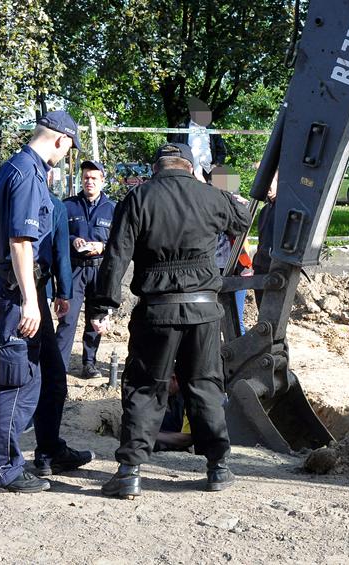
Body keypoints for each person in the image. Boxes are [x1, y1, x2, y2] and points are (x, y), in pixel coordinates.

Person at [90, 142, 251, 499]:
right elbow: (243, 219)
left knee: (145, 387)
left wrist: (103, 305)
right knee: (205, 385)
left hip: (156, 310)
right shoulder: (210, 196)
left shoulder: (138, 198)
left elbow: (116, 255)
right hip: (204, 311)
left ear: (155, 168)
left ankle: (130, 472)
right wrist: (211, 189)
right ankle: (218, 467)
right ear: (190, 168)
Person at [0, 110, 94, 493]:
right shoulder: (27, 175)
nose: (66, 156)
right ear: (61, 140)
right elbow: (20, 242)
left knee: (52, 374)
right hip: (20, 296)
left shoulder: (14, 168)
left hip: (23, 290)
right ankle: (5, 470)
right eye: (68, 149)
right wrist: (32, 302)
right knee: (19, 381)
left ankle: (49, 451)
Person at [55, 160, 116, 379]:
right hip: (74, 270)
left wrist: (102, 246)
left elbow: (120, 241)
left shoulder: (113, 209)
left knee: (95, 319)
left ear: (102, 180)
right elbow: (57, 235)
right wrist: (73, 240)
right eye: (86, 178)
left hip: (99, 271)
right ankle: (58, 366)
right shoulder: (68, 206)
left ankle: (89, 364)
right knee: (67, 319)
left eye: (94, 178)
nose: (89, 181)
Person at [169, 97, 227, 183]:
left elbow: (222, 151)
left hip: (208, 172)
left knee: (208, 191)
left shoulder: (211, 129)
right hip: (187, 171)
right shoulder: (182, 128)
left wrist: (216, 165)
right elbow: (174, 149)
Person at [252, 164, 279, 309]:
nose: (267, 186)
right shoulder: (265, 210)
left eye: (270, 181)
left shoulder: (283, 211)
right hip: (262, 267)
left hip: (275, 269)